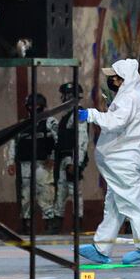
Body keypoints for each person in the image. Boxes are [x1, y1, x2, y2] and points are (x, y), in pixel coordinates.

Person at [77, 59, 140, 265]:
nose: (111, 81)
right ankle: (101, 247)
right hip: (128, 157)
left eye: (114, 78)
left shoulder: (129, 98)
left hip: (123, 159)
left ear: (123, 78)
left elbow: (115, 122)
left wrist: (91, 115)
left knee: (132, 203)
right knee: (114, 205)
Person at [5, 92, 58, 233]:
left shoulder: (50, 122)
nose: (33, 108)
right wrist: (10, 162)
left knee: (46, 193)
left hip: (43, 164)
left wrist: (53, 157)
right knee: (25, 195)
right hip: (25, 165)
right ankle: (26, 224)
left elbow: (58, 140)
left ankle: (49, 224)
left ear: (42, 106)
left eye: (37, 105)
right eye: (30, 105)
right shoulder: (23, 124)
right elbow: (13, 143)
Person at [51, 82, 89, 233]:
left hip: (72, 159)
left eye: (64, 95)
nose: (62, 98)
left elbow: (82, 139)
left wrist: (76, 162)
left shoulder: (79, 113)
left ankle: (77, 224)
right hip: (64, 159)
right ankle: (57, 223)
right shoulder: (67, 115)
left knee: (75, 192)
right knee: (61, 191)